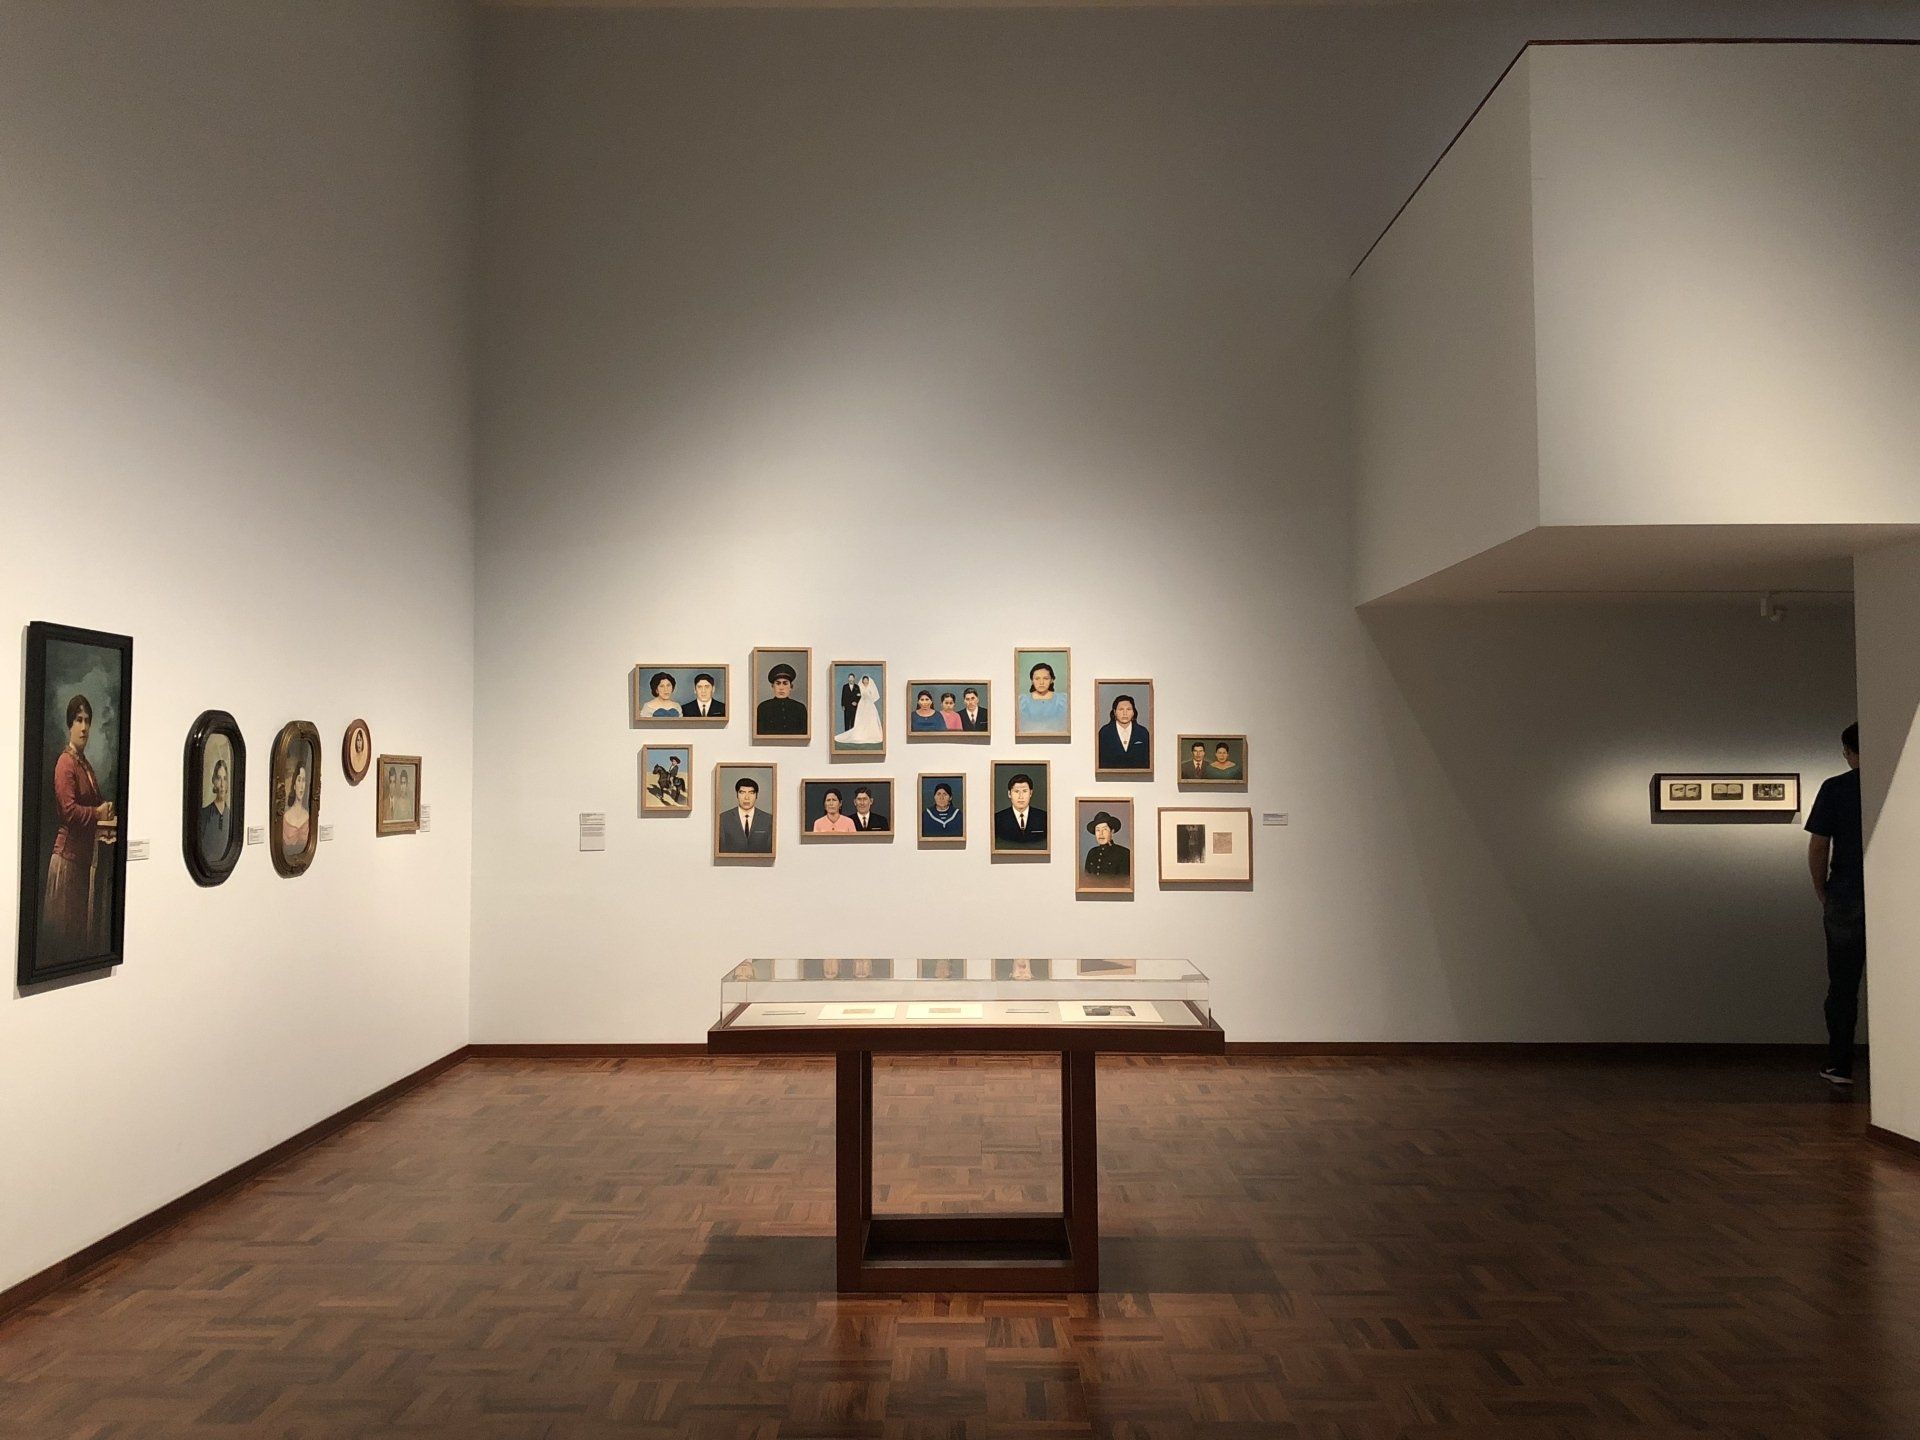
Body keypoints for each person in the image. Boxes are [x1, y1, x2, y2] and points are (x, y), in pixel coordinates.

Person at [1808, 722, 1865, 1087]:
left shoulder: (1836, 788)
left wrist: (1822, 892)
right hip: (1898, 895)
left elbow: (1818, 846)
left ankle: (1841, 1064)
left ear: (1848, 751)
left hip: (1846, 894)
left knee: (1843, 986)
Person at [41, 693, 115, 964]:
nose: (84, 727)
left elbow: (93, 804)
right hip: (67, 861)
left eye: (87, 721)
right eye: (78, 720)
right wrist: (97, 813)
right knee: (64, 942)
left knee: (79, 942)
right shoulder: (66, 762)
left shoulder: (85, 765)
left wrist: (105, 809)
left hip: (85, 862)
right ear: (69, 725)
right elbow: (68, 811)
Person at [1097, 694, 1150, 771]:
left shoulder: (1142, 732)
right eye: (1121, 709)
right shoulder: (1104, 732)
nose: (1125, 713)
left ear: (1133, 712)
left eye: (1128, 709)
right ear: (1114, 712)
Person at [994, 772, 1048, 848]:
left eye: (1025, 791)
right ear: (1009, 794)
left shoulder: (1044, 817)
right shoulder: (997, 819)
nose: (1021, 796)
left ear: (1031, 793)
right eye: (1016, 791)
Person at [719, 776, 771, 853]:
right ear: (737, 795)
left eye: (751, 793)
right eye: (742, 792)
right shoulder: (723, 818)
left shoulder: (768, 819)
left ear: (756, 795)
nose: (747, 797)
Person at [756, 662, 807, 736]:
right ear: (772, 686)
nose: (781, 688)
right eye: (778, 683)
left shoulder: (800, 708)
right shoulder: (763, 707)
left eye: (785, 683)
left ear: (791, 687)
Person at [1082, 809, 1130, 886]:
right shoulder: (1092, 853)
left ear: (1112, 831)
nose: (1100, 834)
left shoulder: (1124, 853)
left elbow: (1124, 883)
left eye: (1105, 829)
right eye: (1097, 830)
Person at [1017, 661, 1067, 735]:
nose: (1041, 683)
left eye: (1046, 678)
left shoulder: (1063, 700)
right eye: (1037, 679)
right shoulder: (1022, 700)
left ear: (1052, 680)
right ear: (1032, 681)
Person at [199, 757, 233, 861]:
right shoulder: (204, 814)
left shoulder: (231, 816)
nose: (222, 784)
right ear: (214, 781)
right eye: (219, 778)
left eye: (225, 779)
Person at [836, 674, 883, 746]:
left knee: (870, 719)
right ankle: (854, 733)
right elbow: (856, 695)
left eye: (866, 680)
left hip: (869, 705)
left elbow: (874, 695)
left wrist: (870, 700)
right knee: (860, 719)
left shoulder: (871, 687)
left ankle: (870, 734)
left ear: (868, 681)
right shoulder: (859, 687)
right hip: (861, 705)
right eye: (864, 680)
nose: (865, 681)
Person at [284, 755, 312, 855]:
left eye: (304, 780)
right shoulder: (286, 816)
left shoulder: (308, 815)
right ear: (294, 785)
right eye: (299, 780)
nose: (301, 785)